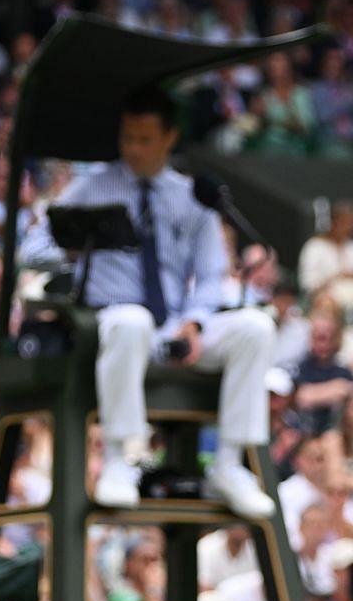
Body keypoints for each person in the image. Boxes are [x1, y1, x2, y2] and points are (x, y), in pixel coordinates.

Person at [37, 87, 276, 518]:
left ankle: (229, 464)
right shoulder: (91, 188)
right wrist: (72, 243)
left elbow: (208, 277)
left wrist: (196, 325)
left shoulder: (192, 197)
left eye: (144, 139)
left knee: (256, 328)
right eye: (127, 138)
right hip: (114, 329)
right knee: (130, 320)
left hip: (175, 330)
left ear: (169, 137)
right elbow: (32, 246)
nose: (133, 148)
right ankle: (119, 458)